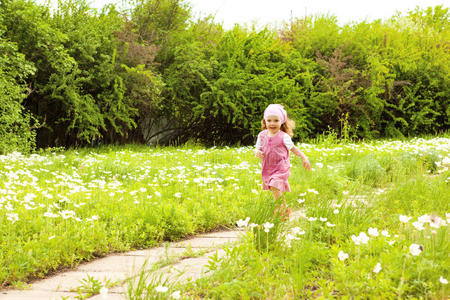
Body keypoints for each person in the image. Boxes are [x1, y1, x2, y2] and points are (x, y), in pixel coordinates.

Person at [254, 104, 311, 218]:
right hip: (268, 167)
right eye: (269, 120)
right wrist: (257, 152)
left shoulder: (283, 136)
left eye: (276, 120)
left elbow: (293, 149)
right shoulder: (262, 135)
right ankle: (282, 208)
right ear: (265, 122)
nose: (272, 123)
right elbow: (257, 148)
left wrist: (304, 157)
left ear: (282, 122)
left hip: (281, 167)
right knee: (273, 188)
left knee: (275, 185)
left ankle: (282, 210)